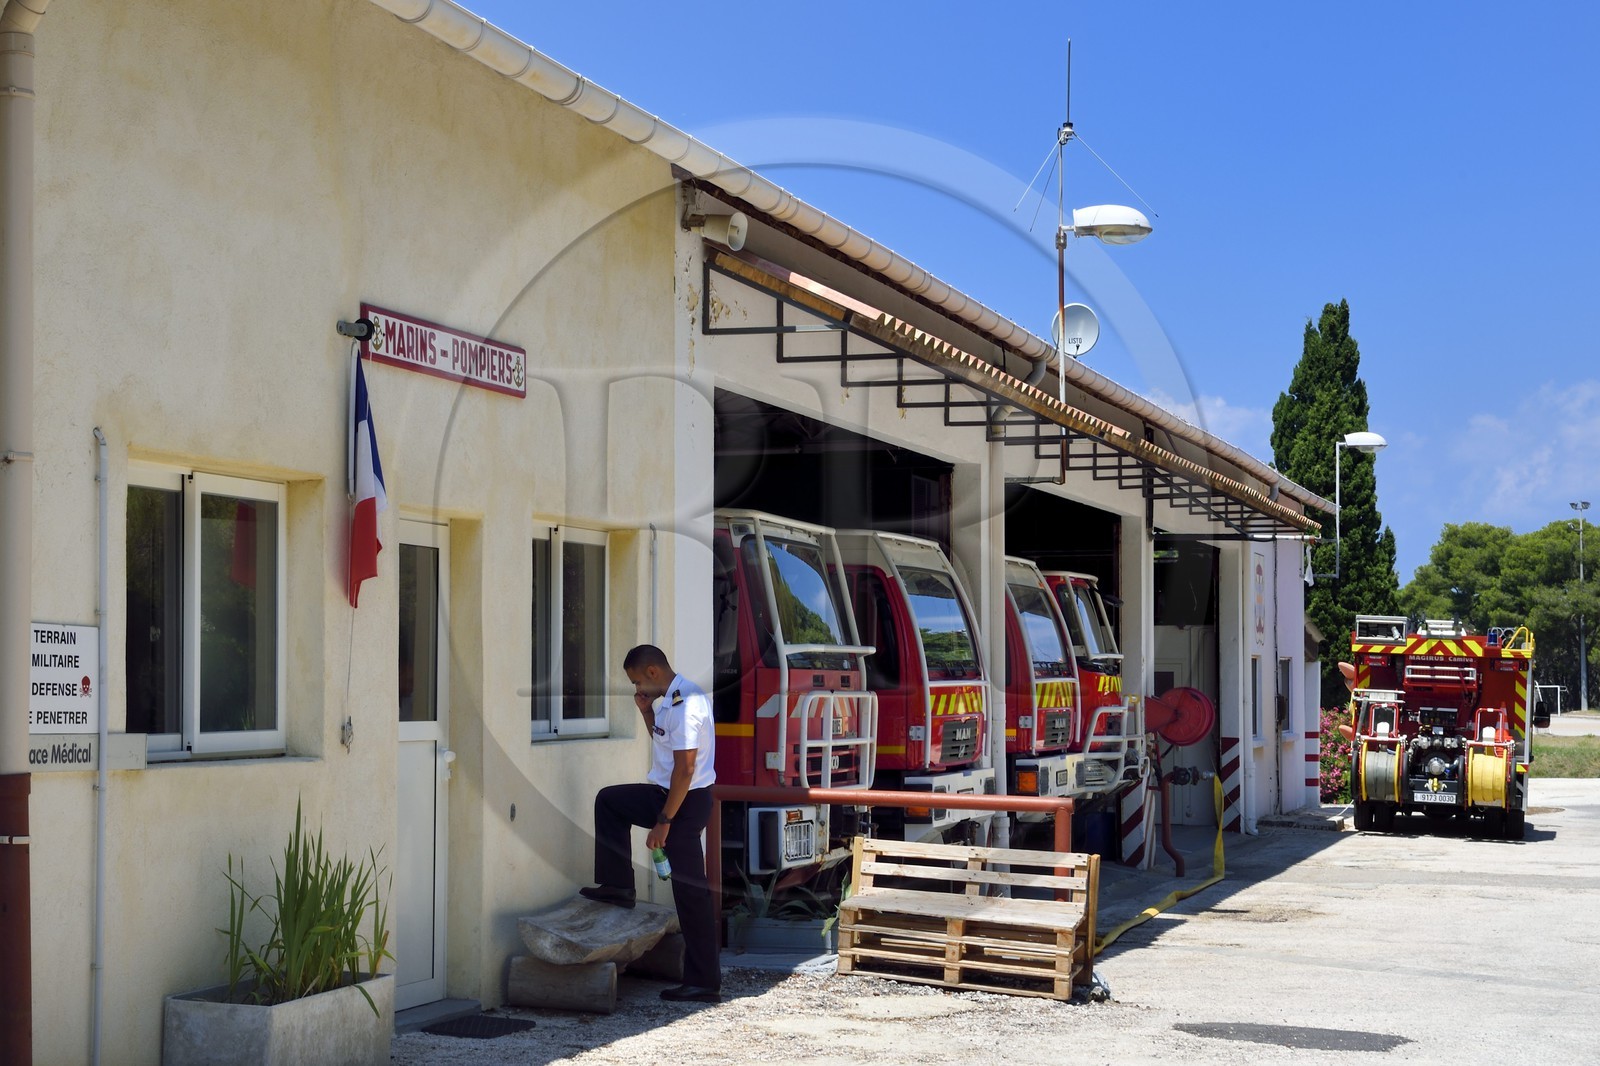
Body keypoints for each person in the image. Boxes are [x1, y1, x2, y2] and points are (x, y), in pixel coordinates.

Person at [580, 644, 720, 1003]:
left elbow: (686, 770)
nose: (637, 689)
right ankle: (619, 886)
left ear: (653, 672)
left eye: (637, 681)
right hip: (665, 794)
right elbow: (665, 743)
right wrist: (646, 714)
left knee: (691, 893)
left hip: (683, 803)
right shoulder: (670, 700)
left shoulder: (687, 704)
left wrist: (664, 822)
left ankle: (704, 982)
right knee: (610, 801)